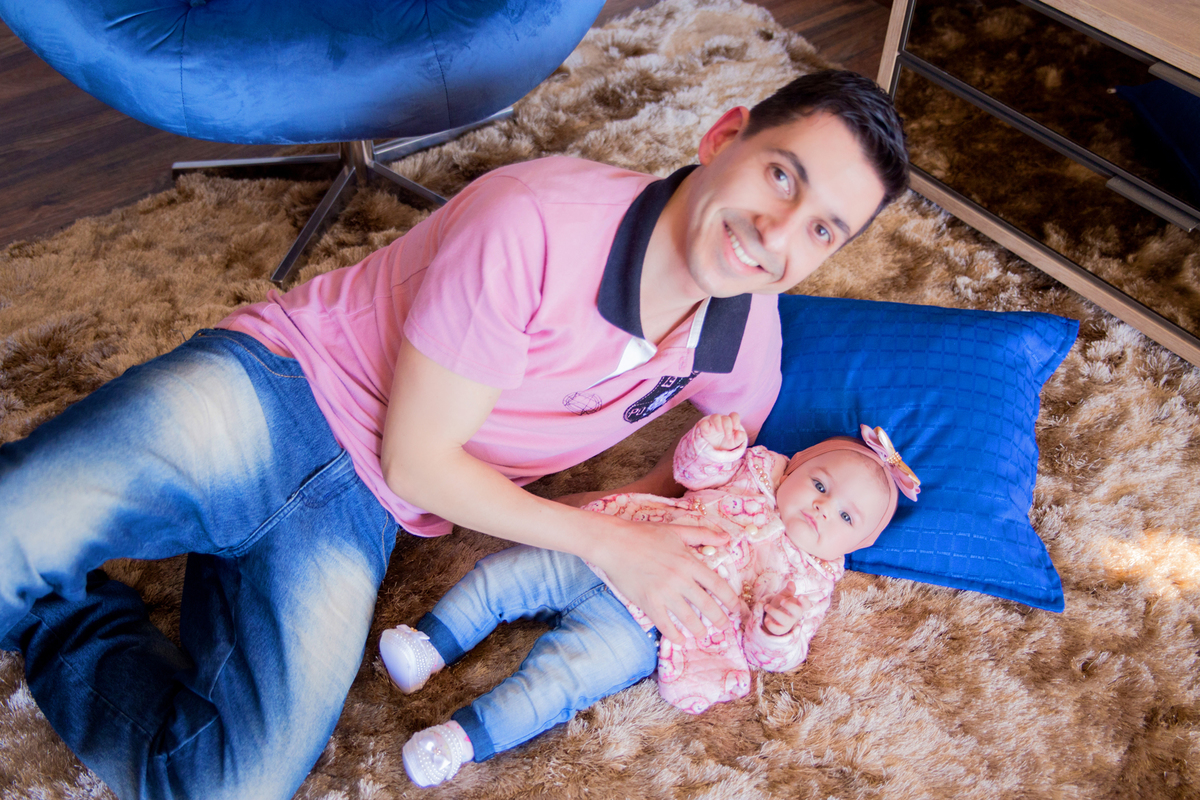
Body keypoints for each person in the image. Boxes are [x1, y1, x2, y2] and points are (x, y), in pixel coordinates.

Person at [0, 70, 908, 800]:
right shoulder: (535, 219)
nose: (777, 229)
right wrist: (609, 538)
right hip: (280, 390)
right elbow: (418, 455)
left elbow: (753, 473)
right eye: (780, 173)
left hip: (362, 514)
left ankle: (66, 614)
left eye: (822, 227)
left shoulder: (746, 333)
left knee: (229, 782)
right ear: (723, 138)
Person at [378, 413, 921, 787]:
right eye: (821, 486)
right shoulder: (754, 468)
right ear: (796, 463)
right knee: (507, 573)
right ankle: (428, 642)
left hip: (654, 628)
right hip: (615, 543)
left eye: (846, 518)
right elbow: (689, 473)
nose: (824, 510)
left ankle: (457, 741)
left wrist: (775, 630)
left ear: (858, 545)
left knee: (558, 681)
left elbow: (774, 655)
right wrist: (715, 443)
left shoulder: (810, 582)